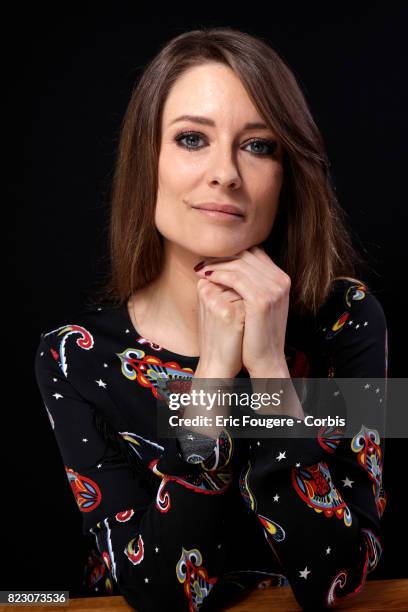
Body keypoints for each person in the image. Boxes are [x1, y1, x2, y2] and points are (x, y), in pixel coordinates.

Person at [34, 27, 388, 611]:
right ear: (148, 160)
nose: (225, 173)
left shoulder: (347, 322)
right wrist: (214, 380)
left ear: (288, 175)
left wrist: (269, 370)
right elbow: (162, 597)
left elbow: (339, 574)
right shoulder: (75, 356)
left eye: (258, 145)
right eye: (192, 138)